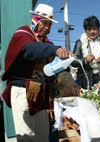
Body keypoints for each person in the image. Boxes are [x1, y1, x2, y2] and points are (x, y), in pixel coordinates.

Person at [1, 4, 76, 142]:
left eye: (49, 24)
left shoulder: (46, 43)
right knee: (27, 136)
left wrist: (70, 61)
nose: (47, 27)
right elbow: (31, 50)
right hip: (22, 91)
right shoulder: (23, 34)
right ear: (35, 19)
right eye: (44, 23)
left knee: (42, 135)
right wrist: (56, 50)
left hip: (39, 95)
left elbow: (53, 65)